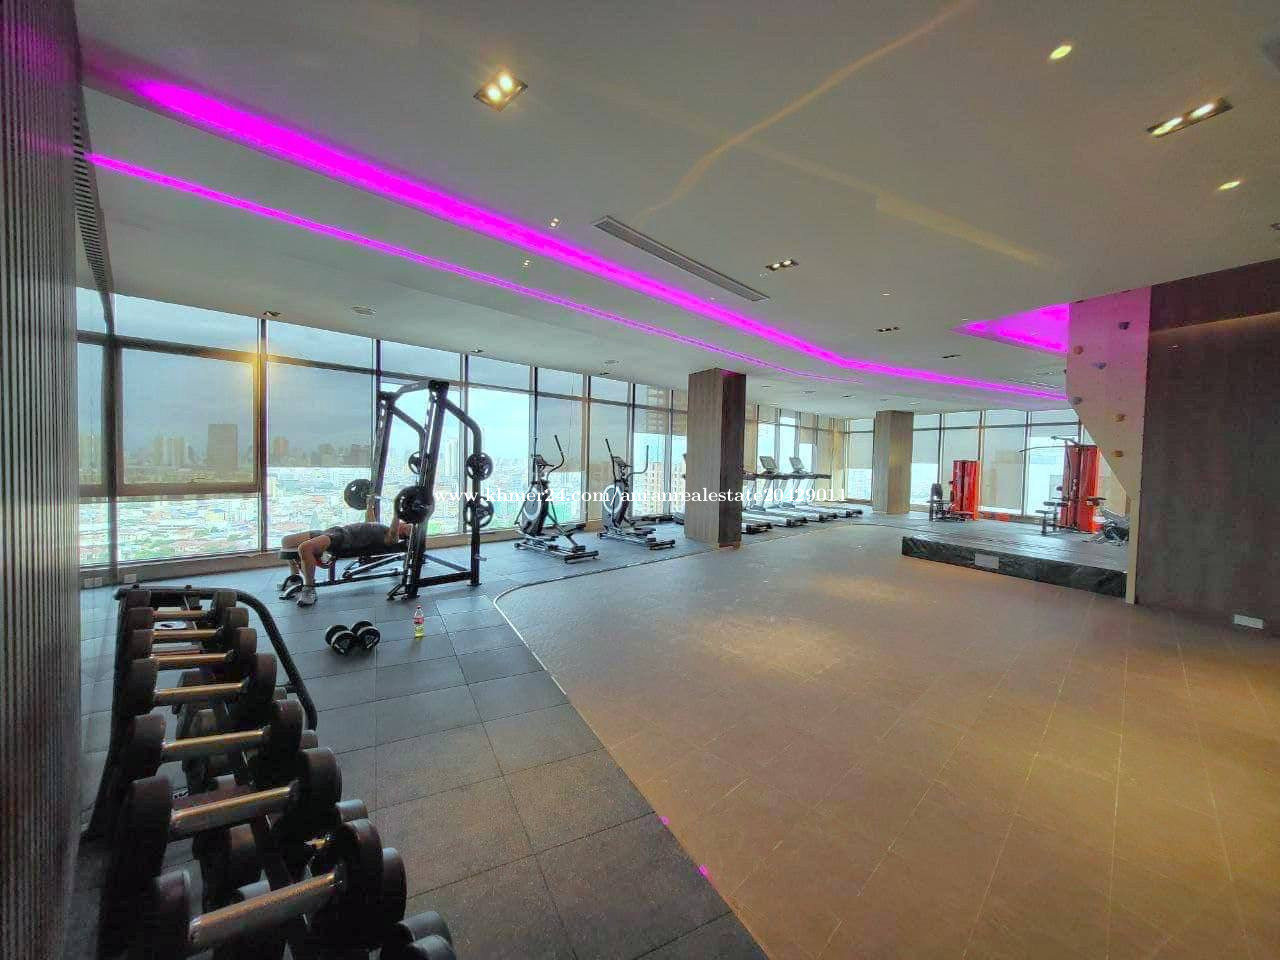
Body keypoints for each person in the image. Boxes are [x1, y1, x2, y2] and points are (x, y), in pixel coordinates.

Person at [280, 513, 412, 607]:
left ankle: (309, 588)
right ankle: (295, 577)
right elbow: (369, 521)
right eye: (407, 524)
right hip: (333, 530)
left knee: (305, 548)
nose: (405, 524)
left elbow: (393, 534)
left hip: (342, 539)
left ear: (402, 535)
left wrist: (397, 513)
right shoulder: (382, 528)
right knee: (286, 541)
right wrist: (370, 503)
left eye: (407, 528)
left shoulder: (390, 538)